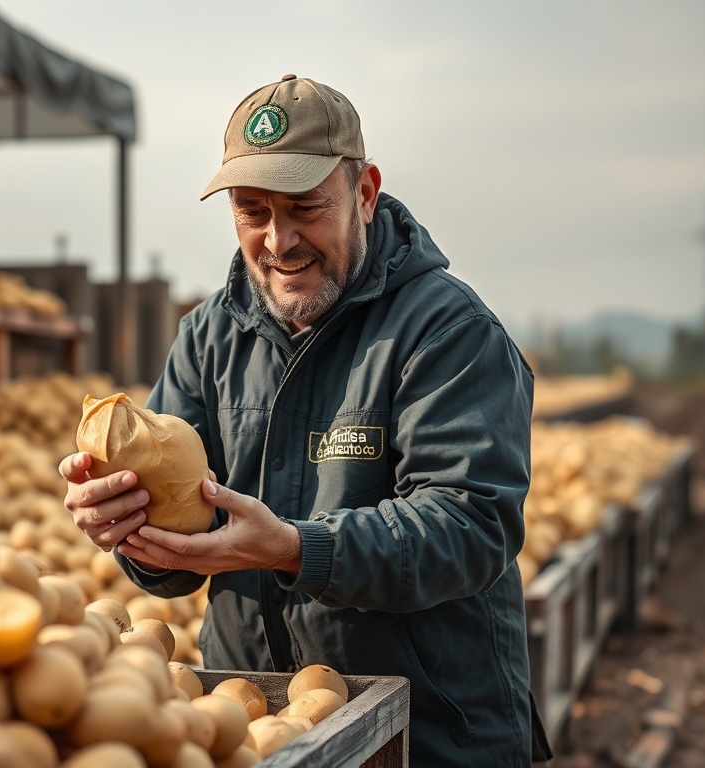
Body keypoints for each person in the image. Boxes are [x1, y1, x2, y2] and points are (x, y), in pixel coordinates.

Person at [60, 74, 552, 766]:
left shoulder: (447, 333)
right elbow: (184, 546)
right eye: (252, 211)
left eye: (305, 209)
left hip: (434, 736)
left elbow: (470, 526)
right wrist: (132, 530)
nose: (277, 240)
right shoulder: (208, 337)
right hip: (260, 731)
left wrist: (294, 547)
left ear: (366, 192)